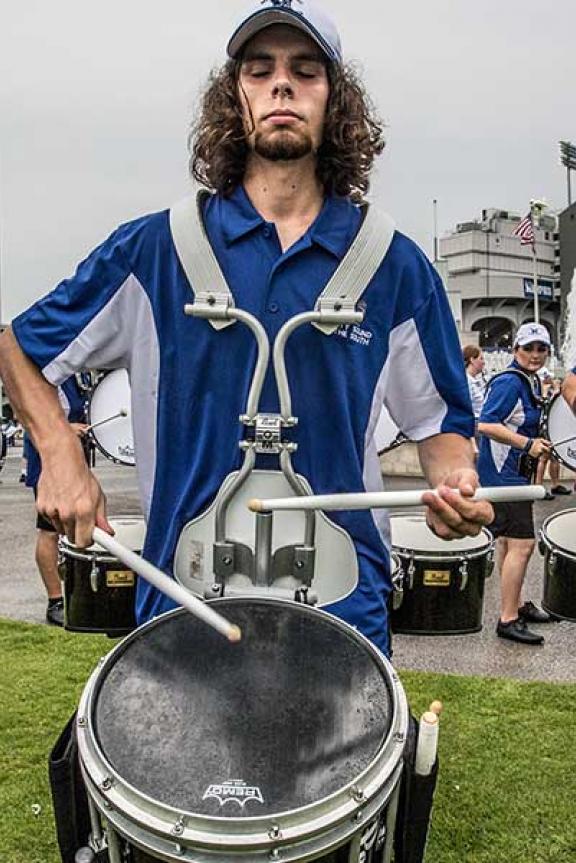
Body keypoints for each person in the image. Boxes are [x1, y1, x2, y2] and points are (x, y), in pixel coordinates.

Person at [0, 0, 492, 659]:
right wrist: (58, 453)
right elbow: (20, 347)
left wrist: (454, 482)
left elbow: (441, 429)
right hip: (184, 612)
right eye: (259, 71)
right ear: (235, 97)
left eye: (305, 70)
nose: (281, 84)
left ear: (335, 99)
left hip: (343, 618)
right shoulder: (154, 252)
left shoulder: (395, 268)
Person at [477, 322, 554, 645]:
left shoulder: (529, 380)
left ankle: (517, 604)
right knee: (522, 545)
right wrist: (527, 444)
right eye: (528, 348)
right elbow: (486, 424)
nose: (535, 355)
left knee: (511, 543)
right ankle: (507, 619)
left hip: (512, 473)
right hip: (503, 475)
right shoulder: (510, 382)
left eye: (541, 349)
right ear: (515, 350)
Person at [23, 377, 88, 626]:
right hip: (48, 460)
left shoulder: (69, 372)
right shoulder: (41, 366)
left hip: (69, 458)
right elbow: (30, 413)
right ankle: (55, 601)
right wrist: (67, 429)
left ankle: (74, 594)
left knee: (72, 527)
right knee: (49, 531)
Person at [535, 374, 570, 498]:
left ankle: (555, 485)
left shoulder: (556, 393)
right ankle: (538, 487)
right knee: (544, 458)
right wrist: (550, 390)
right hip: (546, 427)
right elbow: (544, 404)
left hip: (556, 429)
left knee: (555, 459)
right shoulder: (543, 391)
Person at [462, 344, 486, 424]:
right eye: (481, 358)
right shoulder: (466, 381)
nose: (484, 362)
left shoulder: (476, 381)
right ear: (472, 359)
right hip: (473, 424)